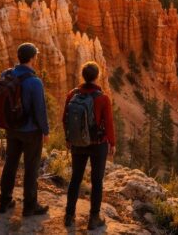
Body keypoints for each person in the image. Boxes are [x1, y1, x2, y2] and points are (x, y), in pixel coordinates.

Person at [0, 43, 50, 217]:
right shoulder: (35, 82)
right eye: (35, 56)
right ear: (32, 58)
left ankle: (4, 201)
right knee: (31, 168)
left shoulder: (6, 74)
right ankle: (30, 206)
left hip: (12, 128)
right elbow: (40, 110)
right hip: (31, 132)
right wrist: (45, 130)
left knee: (10, 164)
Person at [63, 61, 116, 229]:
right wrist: (112, 143)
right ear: (97, 77)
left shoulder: (72, 94)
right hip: (97, 144)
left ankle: (69, 215)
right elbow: (108, 123)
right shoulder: (103, 98)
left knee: (75, 178)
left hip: (78, 142)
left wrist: (68, 138)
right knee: (97, 181)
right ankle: (94, 218)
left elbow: (65, 118)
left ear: (83, 76)